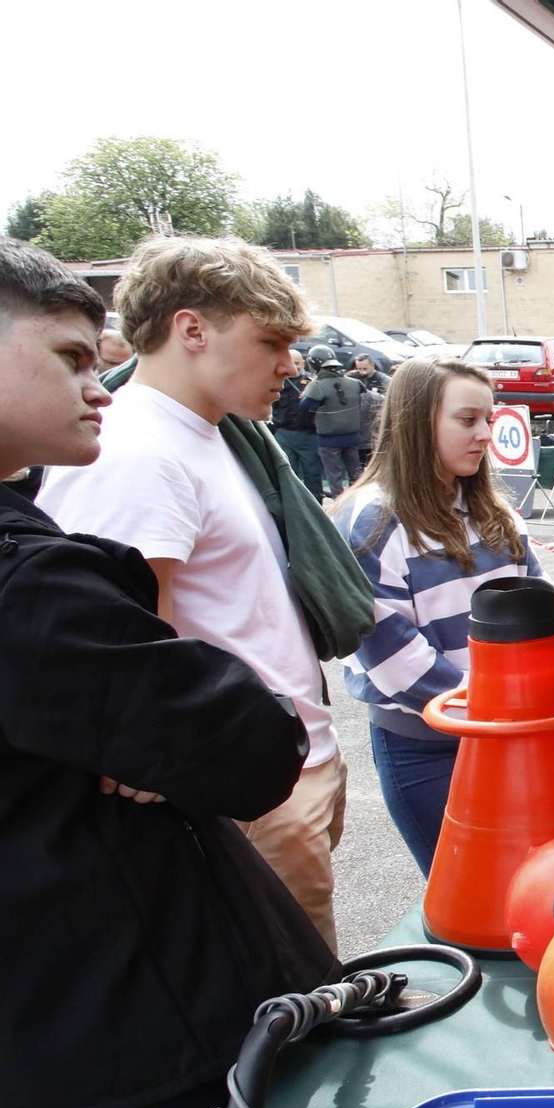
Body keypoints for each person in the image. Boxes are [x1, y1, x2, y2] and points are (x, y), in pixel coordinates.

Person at [0, 239, 335, 1108]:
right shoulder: (51, 551)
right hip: (114, 1036)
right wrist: (163, 723)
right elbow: (226, 734)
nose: (95, 383)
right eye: (68, 358)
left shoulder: (195, 437)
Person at [39, 235, 350, 952]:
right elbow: (128, 662)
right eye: (271, 339)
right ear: (191, 329)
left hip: (282, 769)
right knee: (291, 1014)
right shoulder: (139, 453)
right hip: (247, 789)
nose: (290, 362)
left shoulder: (206, 436)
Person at [333, 358, 545, 875]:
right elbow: (393, 659)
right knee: (467, 892)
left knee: (528, 883)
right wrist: (500, 708)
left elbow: (540, 620)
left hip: (510, 736)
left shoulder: (496, 512)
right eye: (467, 420)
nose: (486, 435)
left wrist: (532, 706)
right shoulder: (373, 518)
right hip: (424, 751)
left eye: (489, 420)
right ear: (415, 421)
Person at [300, 344, 369, 496]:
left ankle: (339, 506)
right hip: (352, 436)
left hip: (329, 439)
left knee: (334, 476)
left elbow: (305, 408)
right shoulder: (354, 383)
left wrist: (305, 394)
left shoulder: (316, 386)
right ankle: (360, 499)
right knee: (356, 474)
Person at [272, 348, 327, 499]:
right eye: (291, 363)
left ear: (303, 363)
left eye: (297, 363)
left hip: (308, 434)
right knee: (287, 473)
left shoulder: (313, 383)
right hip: (284, 433)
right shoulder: (276, 382)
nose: (294, 367)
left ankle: (316, 506)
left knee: (313, 473)